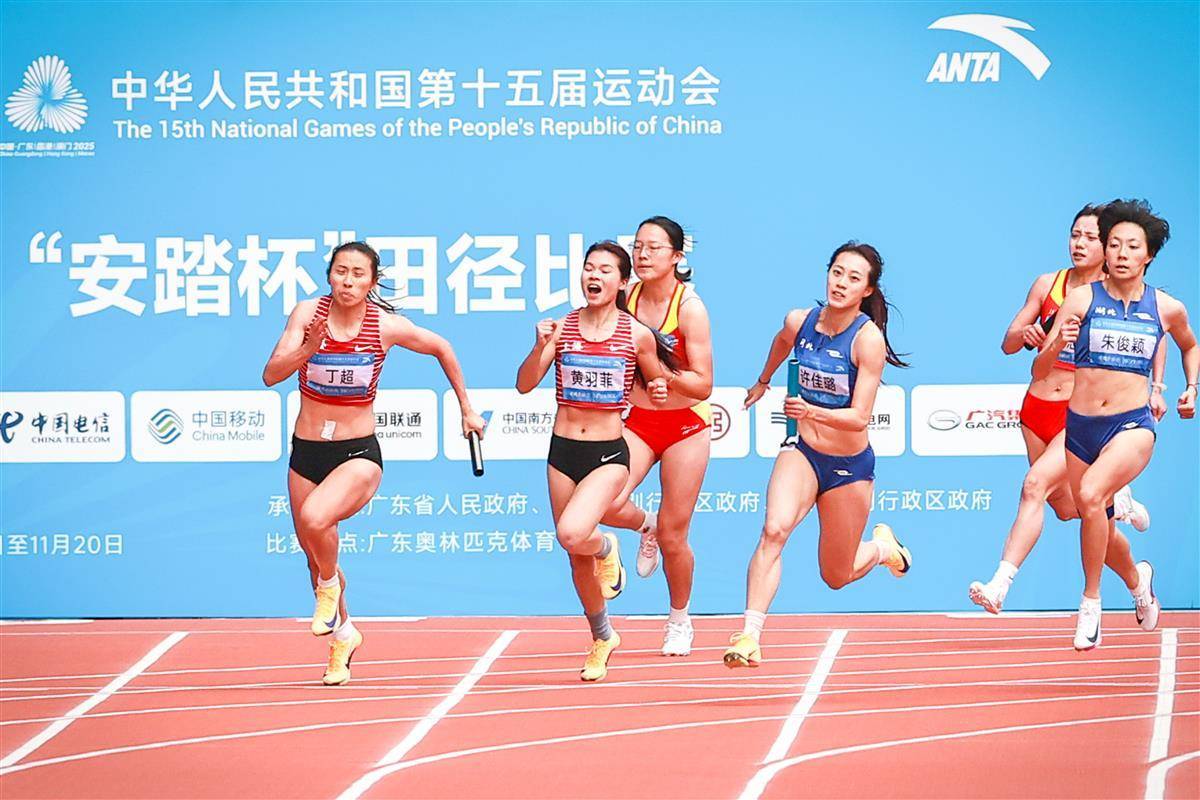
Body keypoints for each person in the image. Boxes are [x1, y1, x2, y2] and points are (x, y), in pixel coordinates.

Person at [263, 241, 484, 684]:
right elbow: (271, 374)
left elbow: (442, 347)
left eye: (358, 274)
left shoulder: (383, 325)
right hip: (307, 452)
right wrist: (308, 348)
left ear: (372, 281)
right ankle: (343, 636)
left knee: (316, 519)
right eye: (341, 271)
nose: (348, 281)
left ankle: (329, 588)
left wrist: (466, 408)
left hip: (357, 453)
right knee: (314, 553)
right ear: (329, 275)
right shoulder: (307, 315)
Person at [970, 205, 1165, 613]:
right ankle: (1137, 577)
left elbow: (1157, 334)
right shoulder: (1049, 284)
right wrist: (1026, 333)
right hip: (1036, 409)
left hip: (1078, 416)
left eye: (1091, 238)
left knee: (1034, 486)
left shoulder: (1114, 293)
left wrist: (1156, 388)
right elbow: (1008, 343)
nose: (1080, 244)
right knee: (1070, 511)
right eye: (1075, 235)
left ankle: (999, 584)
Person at [725, 242, 911, 669]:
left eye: (853, 278)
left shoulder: (867, 340)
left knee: (836, 575)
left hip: (848, 466)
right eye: (837, 272)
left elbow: (859, 418)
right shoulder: (801, 320)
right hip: (803, 451)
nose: (841, 283)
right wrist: (763, 380)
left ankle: (882, 549)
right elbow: (781, 341)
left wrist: (810, 410)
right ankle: (749, 635)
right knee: (774, 530)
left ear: (867, 289)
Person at [1033, 199, 1197, 649]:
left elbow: (1189, 345)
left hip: (1131, 426)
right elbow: (1039, 369)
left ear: (1149, 255)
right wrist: (1056, 345)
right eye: (1115, 245)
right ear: (1105, 251)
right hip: (1080, 428)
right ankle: (1139, 582)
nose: (1122, 254)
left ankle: (1090, 603)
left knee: (1089, 496)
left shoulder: (1166, 307)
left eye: (1133, 246)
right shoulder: (1082, 299)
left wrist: (1190, 387)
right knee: (1098, 522)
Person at [516, 240, 674, 681]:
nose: (594, 276)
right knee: (574, 555)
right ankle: (602, 637)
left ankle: (609, 546)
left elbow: (657, 384)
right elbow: (525, 384)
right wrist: (539, 346)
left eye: (605, 270)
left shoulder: (636, 335)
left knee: (573, 533)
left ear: (623, 282)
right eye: (589, 268)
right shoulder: (562, 328)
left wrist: (659, 389)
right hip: (562, 451)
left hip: (607, 453)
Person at [596, 216, 714, 656]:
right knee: (603, 502)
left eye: (654, 247)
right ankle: (646, 524)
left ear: (677, 256)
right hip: (641, 422)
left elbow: (704, 384)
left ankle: (679, 619)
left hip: (686, 426)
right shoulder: (625, 296)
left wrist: (666, 377)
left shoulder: (689, 308)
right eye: (638, 246)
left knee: (675, 536)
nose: (643, 255)